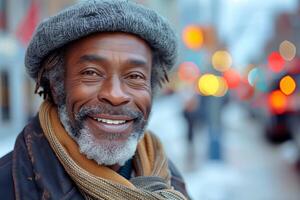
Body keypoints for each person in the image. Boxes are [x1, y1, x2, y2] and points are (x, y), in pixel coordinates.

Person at [0, 0, 189, 199]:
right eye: (91, 73)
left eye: (135, 76)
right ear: (57, 86)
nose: (115, 95)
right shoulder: (7, 186)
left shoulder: (170, 180)